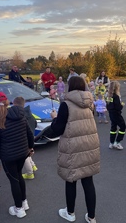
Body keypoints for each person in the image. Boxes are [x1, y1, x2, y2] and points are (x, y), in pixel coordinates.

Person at [42, 76, 100, 223]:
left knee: (71, 179)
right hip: (89, 144)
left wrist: (55, 117)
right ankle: (91, 217)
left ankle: (70, 213)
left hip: (72, 147)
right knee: (88, 181)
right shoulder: (89, 103)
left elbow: (57, 129)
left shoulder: (66, 105)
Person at [0, 92, 34, 219]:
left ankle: (19, 208)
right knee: (19, 176)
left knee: (14, 180)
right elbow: (29, 133)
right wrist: (30, 148)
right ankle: (24, 202)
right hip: (23, 153)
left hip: (8, 157)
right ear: (7, 102)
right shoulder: (20, 115)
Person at [12, 97, 38, 180]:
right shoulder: (29, 114)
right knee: (28, 153)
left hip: (23, 138)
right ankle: (33, 166)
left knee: (25, 156)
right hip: (30, 137)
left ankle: (29, 173)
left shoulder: (20, 116)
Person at [107, 81, 126, 150]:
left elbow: (108, 106)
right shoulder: (116, 97)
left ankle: (111, 143)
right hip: (117, 114)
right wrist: (122, 105)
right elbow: (118, 107)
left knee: (113, 128)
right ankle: (117, 142)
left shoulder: (109, 96)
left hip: (111, 114)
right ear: (116, 88)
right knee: (123, 127)